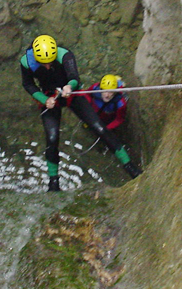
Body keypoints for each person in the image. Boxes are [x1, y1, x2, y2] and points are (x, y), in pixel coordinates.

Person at [20, 35, 141, 191]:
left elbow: (73, 76)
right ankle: (53, 182)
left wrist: (69, 87)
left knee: (99, 128)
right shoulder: (26, 62)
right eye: (44, 63)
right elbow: (28, 84)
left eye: (50, 61)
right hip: (50, 96)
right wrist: (43, 99)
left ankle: (129, 165)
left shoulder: (65, 55)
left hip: (72, 93)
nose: (48, 66)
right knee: (52, 137)